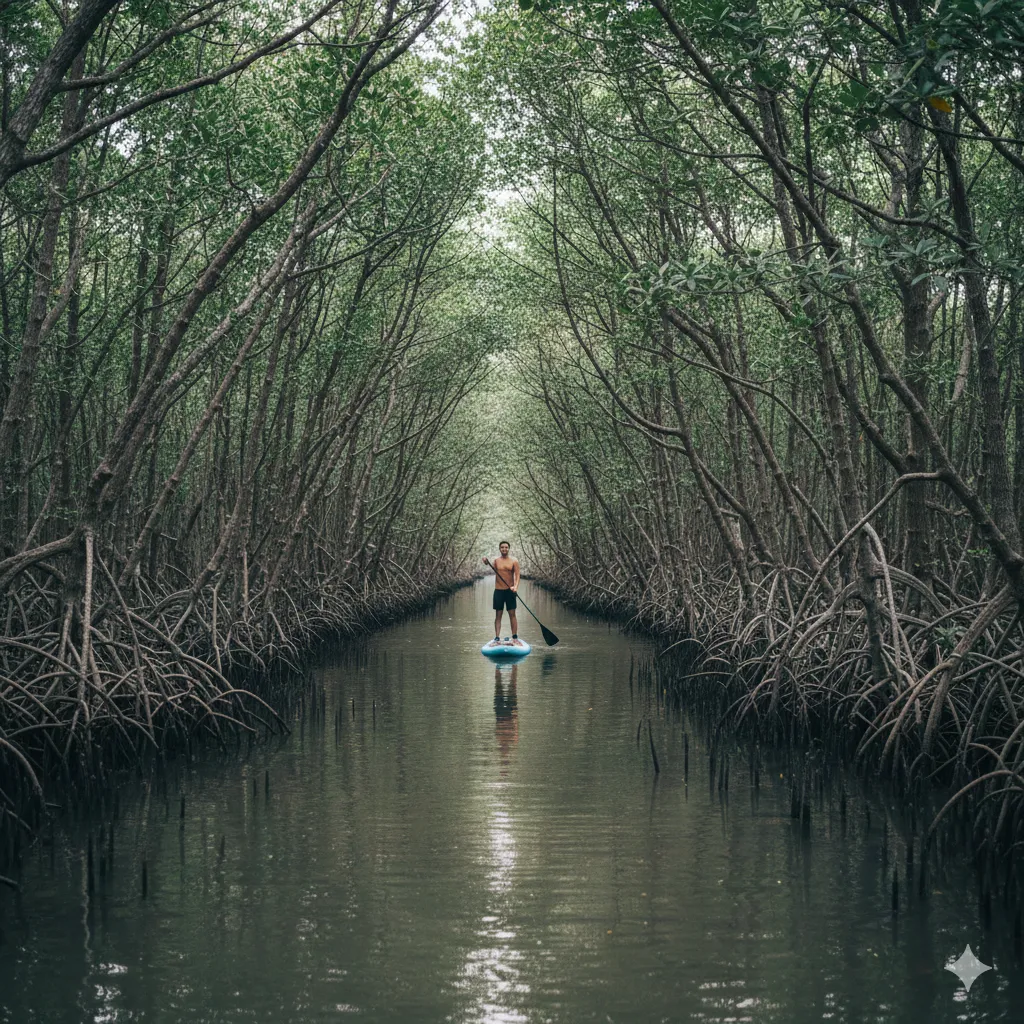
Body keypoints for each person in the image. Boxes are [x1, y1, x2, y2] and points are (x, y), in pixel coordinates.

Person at [482, 540, 523, 645]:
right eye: (502, 547)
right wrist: (486, 562)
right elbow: (489, 566)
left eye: (506, 547)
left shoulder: (514, 561)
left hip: (510, 591)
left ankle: (514, 637)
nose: (504, 549)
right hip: (498, 591)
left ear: (508, 548)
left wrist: (516, 587)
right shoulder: (496, 561)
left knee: (512, 614)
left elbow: (517, 575)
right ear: (499, 549)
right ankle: (497, 638)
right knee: (498, 615)